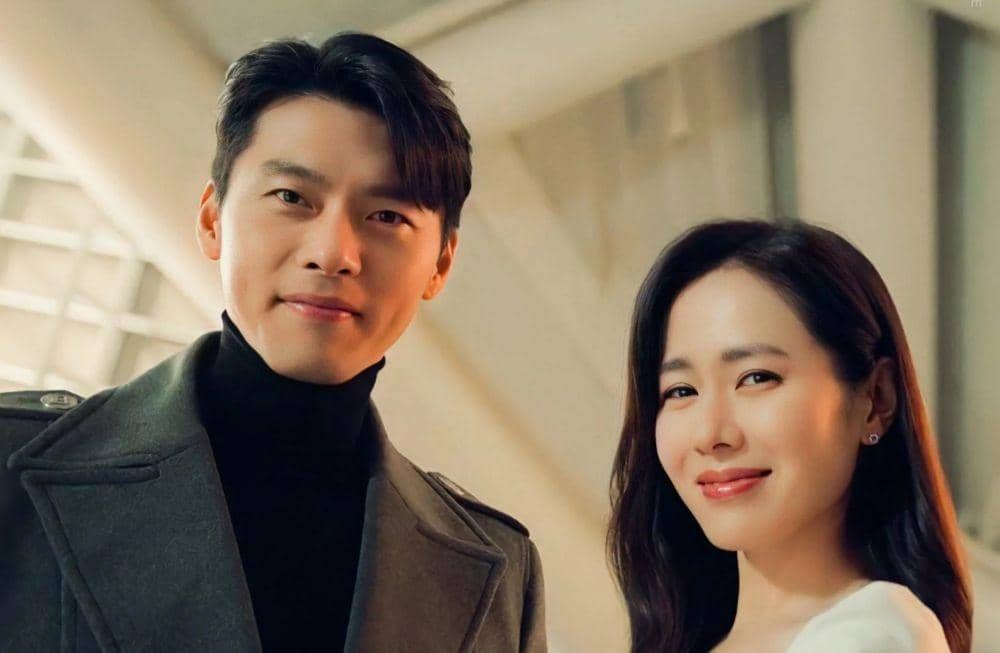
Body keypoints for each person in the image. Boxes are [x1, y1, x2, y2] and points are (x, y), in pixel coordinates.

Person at [0, 33, 545, 652]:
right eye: (291, 198)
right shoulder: (13, 465)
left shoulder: (500, 574)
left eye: (388, 216)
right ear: (212, 219)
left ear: (441, 264)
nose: (333, 254)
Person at [608, 219, 972, 652]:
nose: (710, 434)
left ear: (875, 399)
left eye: (756, 378)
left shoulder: (868, 637)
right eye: (681, 391)